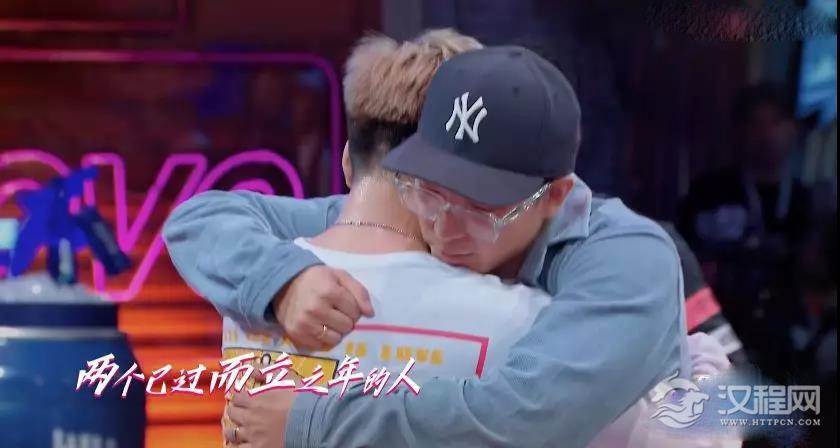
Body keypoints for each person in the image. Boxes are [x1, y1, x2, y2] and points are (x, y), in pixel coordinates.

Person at [164, 44, 690, 448]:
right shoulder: (419, 213)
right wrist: (285, 279)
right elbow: (203, 220)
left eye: (482, 208)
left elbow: (526, 417)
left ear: (554, 196)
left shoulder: (628, 262)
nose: (444, 228)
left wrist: (314, 421)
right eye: (432, 192)